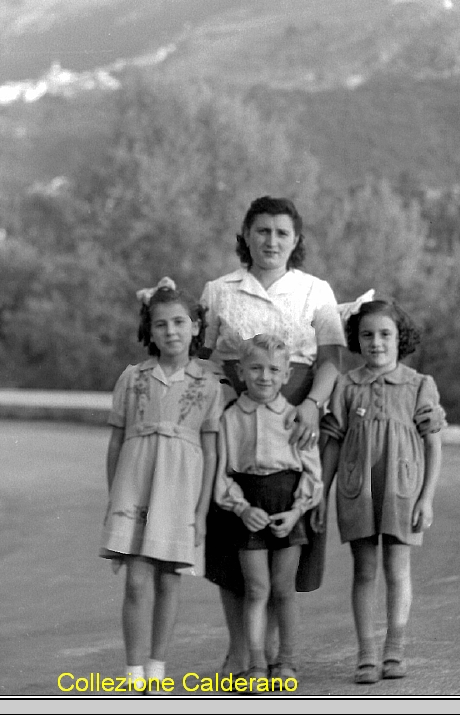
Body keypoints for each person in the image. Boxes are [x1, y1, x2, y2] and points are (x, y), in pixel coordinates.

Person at [200, 195, 345, 676]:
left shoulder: (314, 290)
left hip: (296, 415)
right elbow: (203, 358)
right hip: (234, 419)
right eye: (262, 231)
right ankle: (241, 648)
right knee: (232, 530)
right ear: (245, 234)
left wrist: (311, 405)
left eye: (282, 233)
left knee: (289, 531)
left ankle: (279, 652)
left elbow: (330, 362)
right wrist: (219, 405)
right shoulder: (219, 290)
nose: (271, 241)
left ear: (296, 241)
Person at [100, 278, 223, 692]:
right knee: (137, 579)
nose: (171, 331)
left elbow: (211, 450)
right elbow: (116, 441)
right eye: (160, 324)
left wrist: (201, 512)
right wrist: (113, 495)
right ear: (149, 331)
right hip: (135, 485)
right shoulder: (132, 377)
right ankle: (133, 674)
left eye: (179, 322)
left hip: (181, 489)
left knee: (169, 578)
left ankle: (157, 667)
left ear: (195, 327)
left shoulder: (208, 383)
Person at [317, 297, 445, 684]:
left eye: (385, 334)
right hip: (358, 491)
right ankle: (366, 652)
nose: (376, 342)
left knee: (396, 568)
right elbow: (333, 443)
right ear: (356, 339)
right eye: (367, 335)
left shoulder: (418, 385)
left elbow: (433, 444)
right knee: (364, 570)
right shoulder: (345, 384)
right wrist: (320, 496)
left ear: (399, 338)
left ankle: (395, 646)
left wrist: (426, 497)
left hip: (401, 490)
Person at [214, 334, 322, 690]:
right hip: (250, 509)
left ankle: (286, 661)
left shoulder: (295, 417)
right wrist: (242, 509)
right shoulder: (231, 419)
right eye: (256, 368)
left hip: (288, 508)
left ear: (287, 374)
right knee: (257, 588)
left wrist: (297, 512)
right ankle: (257, 663)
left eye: (274, 369)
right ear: (241, 372)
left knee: (283, 588)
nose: (264, 376)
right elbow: (224, 475)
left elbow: (312, 473)